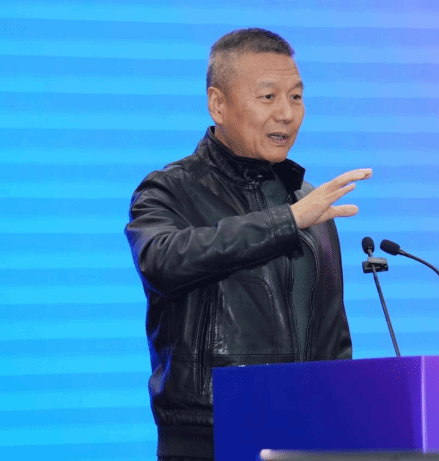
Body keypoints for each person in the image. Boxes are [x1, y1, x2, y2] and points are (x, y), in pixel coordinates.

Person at [124, 28, 372, 460]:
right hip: (209, 437)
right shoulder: (170, 190)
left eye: (296, 97)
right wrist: (287, 221)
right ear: (218, 104)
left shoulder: (306, 201)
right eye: (268, 97)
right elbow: (162, 261)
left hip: (306, 436)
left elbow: (333, 340)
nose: (286, 114)